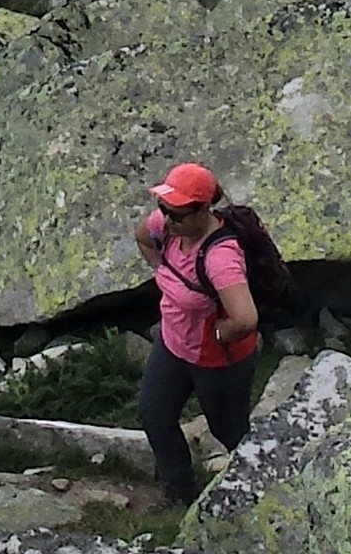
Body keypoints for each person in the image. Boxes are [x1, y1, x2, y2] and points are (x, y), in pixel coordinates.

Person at [133, 160, 260, 503]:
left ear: (203, 209)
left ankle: (263, 486)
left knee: (229, 431)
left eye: (177, 214)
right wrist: (164, 271)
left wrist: (219, 334)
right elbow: (143, 236)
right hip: (173, 344)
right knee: (154, 414)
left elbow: (246, 319)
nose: (167, 220)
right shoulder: (168, 224)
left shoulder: (220, 257)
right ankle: (180, 494)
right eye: (163, 209)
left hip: (218, 361)